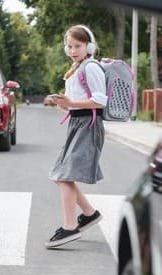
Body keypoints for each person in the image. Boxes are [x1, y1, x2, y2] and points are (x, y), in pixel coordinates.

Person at [46, 24, 106, 248]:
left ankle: (70, 228)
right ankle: (89, 214)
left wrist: (71, 103)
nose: (72, 50)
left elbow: (100, 100)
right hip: (76, 123)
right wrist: (64, 105)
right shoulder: (76, 68)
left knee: (63, 176)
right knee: (59, 175)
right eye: (69, 46)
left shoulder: (91, 67)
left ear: (88, 46)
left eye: (77, 46)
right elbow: (75, 104)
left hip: (88, 126)